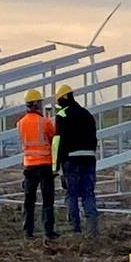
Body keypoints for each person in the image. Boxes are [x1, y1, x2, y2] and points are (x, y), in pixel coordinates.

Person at [52, 83, 99, 236]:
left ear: (62, 98)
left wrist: (55, 165)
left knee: (71, 194)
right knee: (88, 193)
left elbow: (58, 141)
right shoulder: (86, 114)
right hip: (89, 158)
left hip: (71, 160)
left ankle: (75, 228)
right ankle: (92, 229)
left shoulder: (63, 115)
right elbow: (94, 138)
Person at [16, 88, 57, 239]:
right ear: (36, 104)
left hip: (29, 165)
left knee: (29, 200)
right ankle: (48, 231)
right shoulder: (44, 122)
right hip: (45, 164)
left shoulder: (20, 123)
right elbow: (53, 138)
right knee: (47, 200)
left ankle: (28, 230)